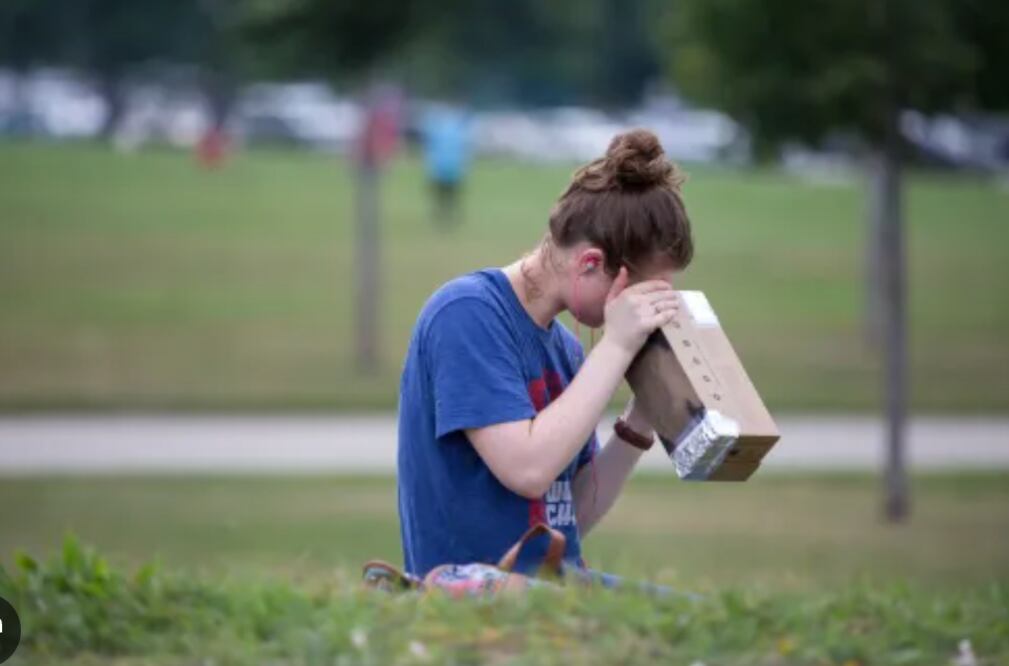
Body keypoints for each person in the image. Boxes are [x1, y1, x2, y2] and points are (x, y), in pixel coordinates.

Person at [397, 128, 694, 579]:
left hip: (555, 584)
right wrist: (616, 345)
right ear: (590, 264)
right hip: (472, 594)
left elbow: (568, 513)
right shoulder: (466, 314)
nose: (644, 314)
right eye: (641, 295)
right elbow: (528, 469)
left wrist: (640, 421)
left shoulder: (567, 348)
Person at [421, 104, 470, 228]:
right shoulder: (458, 130)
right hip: (452, 168)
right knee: (451, 196)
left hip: (441, 168)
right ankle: (449, 216)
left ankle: (442, 215)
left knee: (442, 196)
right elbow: (463, 150)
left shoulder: (437, 129)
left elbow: (431, 150)